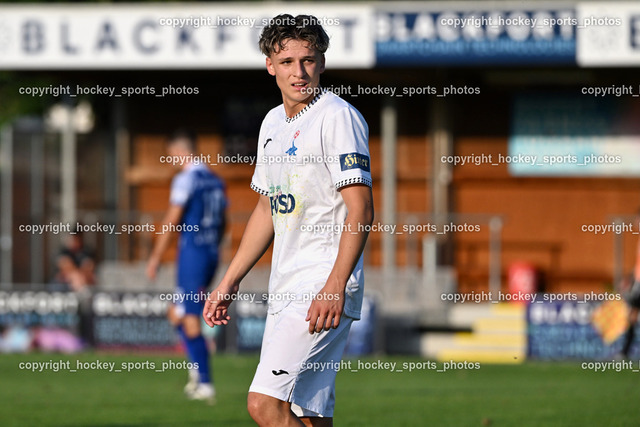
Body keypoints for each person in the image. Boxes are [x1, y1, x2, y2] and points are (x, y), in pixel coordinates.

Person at [203, 14, 374, 426]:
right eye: (287, 62)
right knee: (307, 415)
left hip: (321, 285)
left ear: (322, 62)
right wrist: (229, 281)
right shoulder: (272, 123)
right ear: (270, 65)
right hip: (285, 286)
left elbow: (361, 208)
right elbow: (267, 207)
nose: (299, 72)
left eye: (308, 60)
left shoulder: (337, 117)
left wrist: (334, 285)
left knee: (264, 404)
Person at [146, 129, 227, 403]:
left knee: (190, 317)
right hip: (210, 252)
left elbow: (172, 219)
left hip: (193, 254)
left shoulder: (186, 179)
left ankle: (204, 383)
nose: (170, 161)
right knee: (176, 313)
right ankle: (196, 369)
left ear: (180, 152)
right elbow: (224, 221)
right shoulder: (215, 180)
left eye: (170, 155)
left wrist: (156, 256)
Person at [53, 227, 96, 293]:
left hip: (84, 279)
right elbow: (65, 266)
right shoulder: (63, 251)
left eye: (75, 239)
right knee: (75, 276)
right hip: (66, 281)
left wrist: (79, 274)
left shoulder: (86, 251)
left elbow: (88, 268)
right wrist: (76, 273)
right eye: (71, 239)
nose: (73, 241)